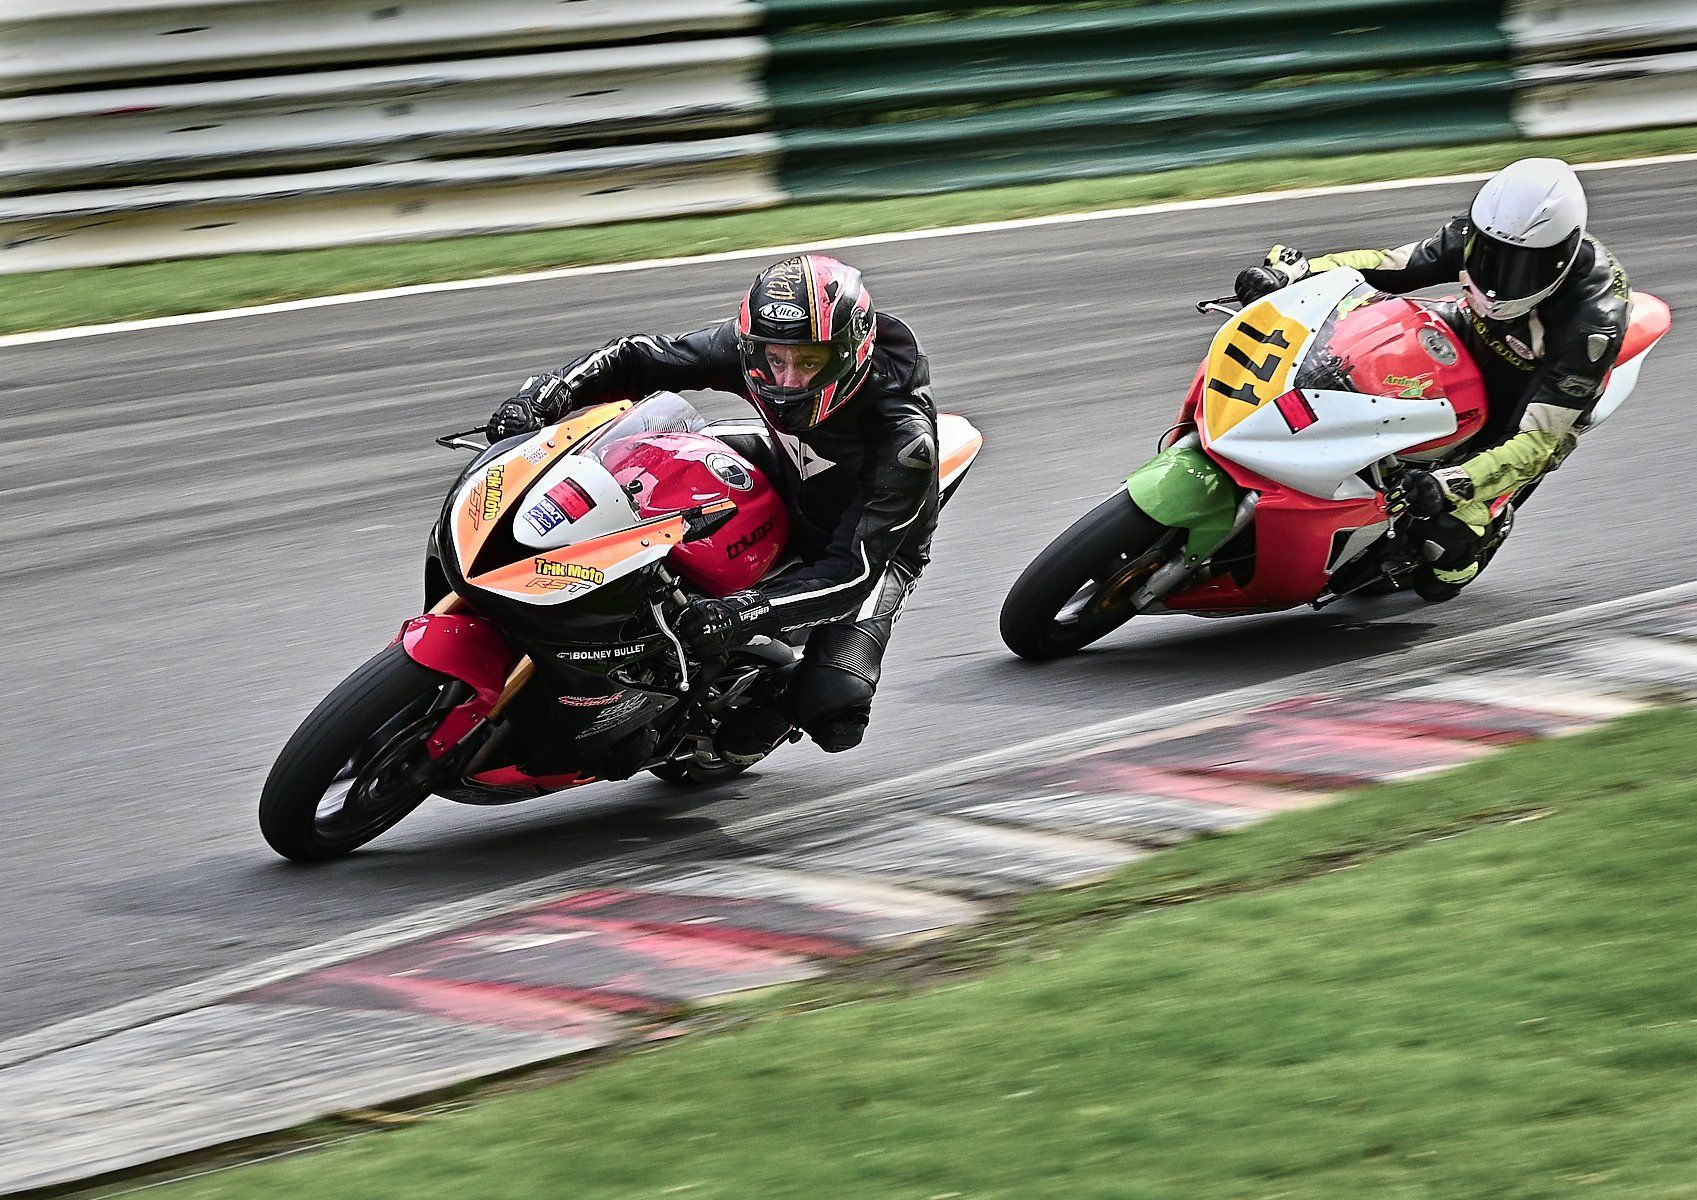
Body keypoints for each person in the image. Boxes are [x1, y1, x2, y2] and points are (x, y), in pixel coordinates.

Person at [486, 254, 940, 759]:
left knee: (834, 704)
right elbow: (641, 356)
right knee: (642, 470)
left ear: (851, 353)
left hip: (872, 547)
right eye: (776, 360)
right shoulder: (757, 351)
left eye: (809, 363)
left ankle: (772, 706)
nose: (787, 380)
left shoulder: (904, 439)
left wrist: (744, 612)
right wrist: (548, 394)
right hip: (784, 468)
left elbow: (850, 574)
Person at [1234, 157, 1630, 599]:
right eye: (1490, 257)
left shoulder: (1592, 325)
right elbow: (1394, 264)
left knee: (1446, 542)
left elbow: (1538, 442)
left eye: (1521, 267)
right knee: (1342, 359)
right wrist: (1302, 275)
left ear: (1561, 258)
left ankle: (1478, 543)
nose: (1499, 278)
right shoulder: (1481, 232)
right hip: (1467, 332)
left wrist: (1449, 484)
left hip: (1532, 401)